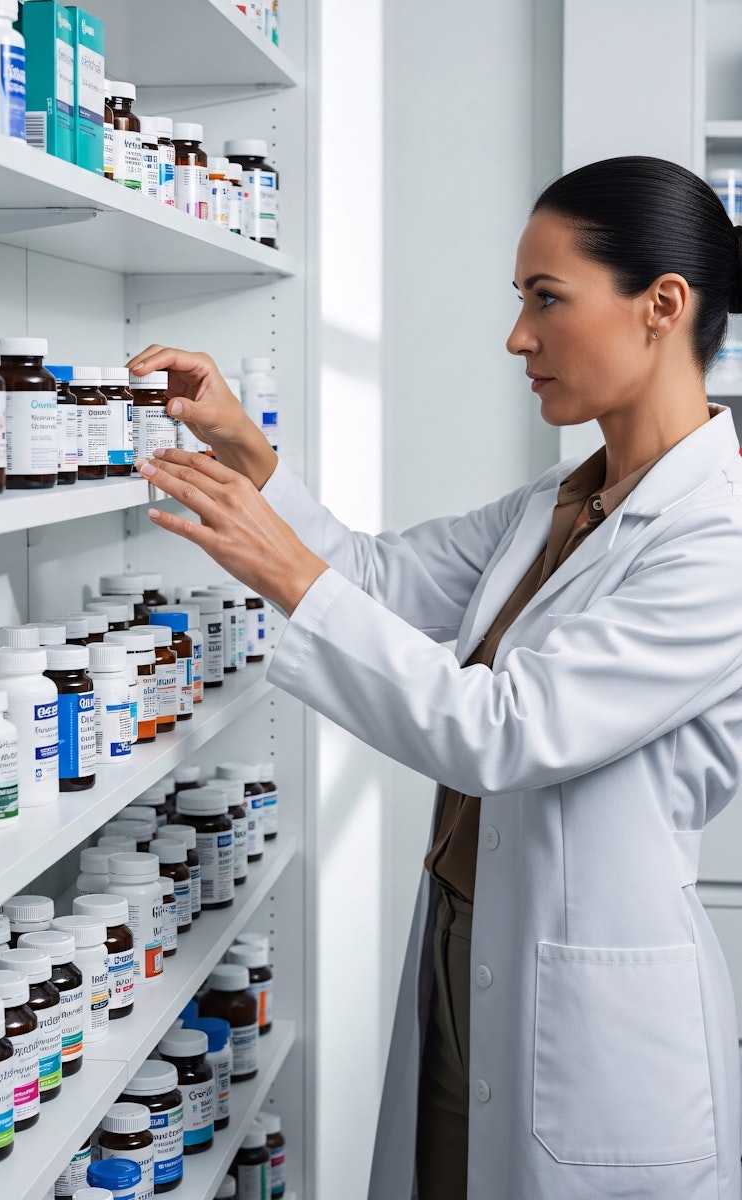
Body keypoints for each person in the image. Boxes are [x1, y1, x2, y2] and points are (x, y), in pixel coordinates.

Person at [129, 156, 742, 1200]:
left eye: (547, 300)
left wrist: (280, 566)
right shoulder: (563, 500)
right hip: (472, 944)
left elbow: (504, 727)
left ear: (662, 308)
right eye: (520, 302)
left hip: (593, 1015)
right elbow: (376, 577)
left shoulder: (717, 534)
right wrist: (249, 456)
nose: (519, 338)